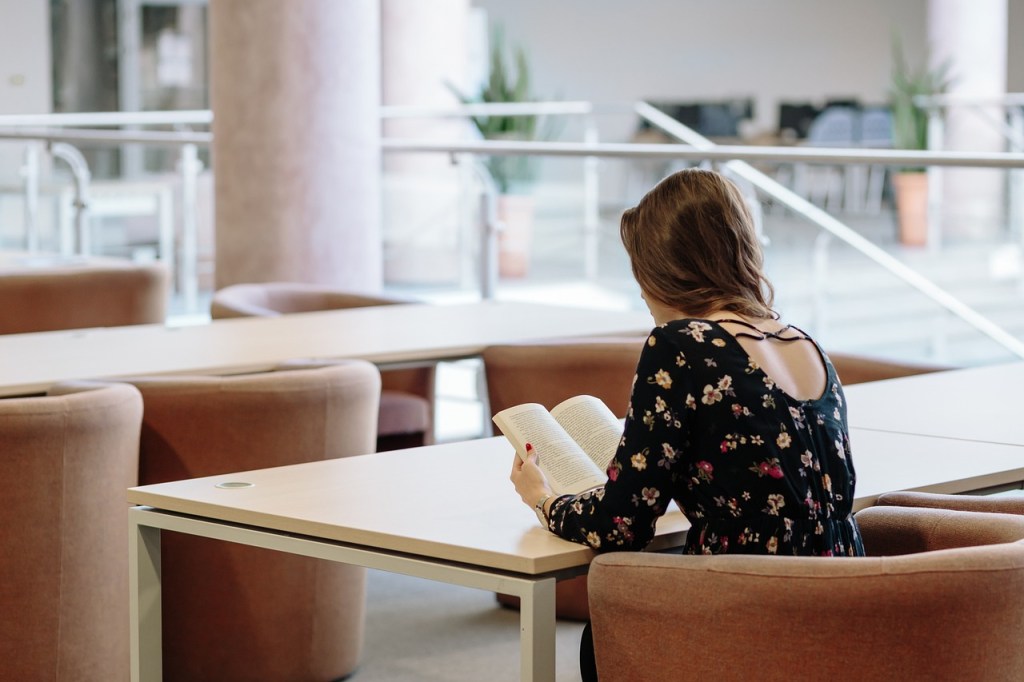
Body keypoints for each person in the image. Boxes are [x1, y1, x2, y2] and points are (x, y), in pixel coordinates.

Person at [510, 167, 865, 681]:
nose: (640, 294)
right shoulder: (805, 343)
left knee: (604, 631)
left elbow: (622, 526)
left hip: (753, 604)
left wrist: (543, 499)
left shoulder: (680, 343)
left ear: (664, 269)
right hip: (849, 600)